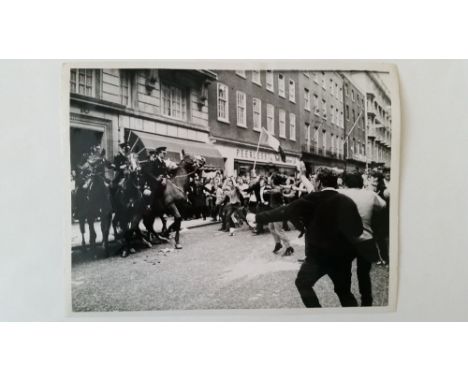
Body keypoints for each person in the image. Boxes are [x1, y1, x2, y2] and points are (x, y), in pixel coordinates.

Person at [253, 167, 363, 308]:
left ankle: (317, 315)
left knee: (303, 283)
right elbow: (357, 230)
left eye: (314, 179)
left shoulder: (312, 199)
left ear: (319, 183)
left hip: (317, 257)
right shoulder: (347, 201)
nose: (313, 181)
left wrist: (257, 217)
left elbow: (285, 211)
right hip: (341, 258)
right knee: (344, 292)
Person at [339, 172, 387, 306]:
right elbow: (383, 206)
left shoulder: (340, 194)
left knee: (344, 273)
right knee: (364, 275)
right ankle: (367, 303)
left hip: (345, 241)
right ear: (361, 182)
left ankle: (349, 303)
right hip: (366, 240)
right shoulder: (370, 194)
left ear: (346, 183)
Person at [264, 174, 294, 256]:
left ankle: (289, 247)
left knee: (278, 230)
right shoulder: (276, 187)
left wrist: (268, 191)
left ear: (274, 181)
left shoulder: (277, 189)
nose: (270, 179)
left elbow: (276, 191)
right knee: (271, 227)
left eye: (271, 179)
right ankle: (278, 243)